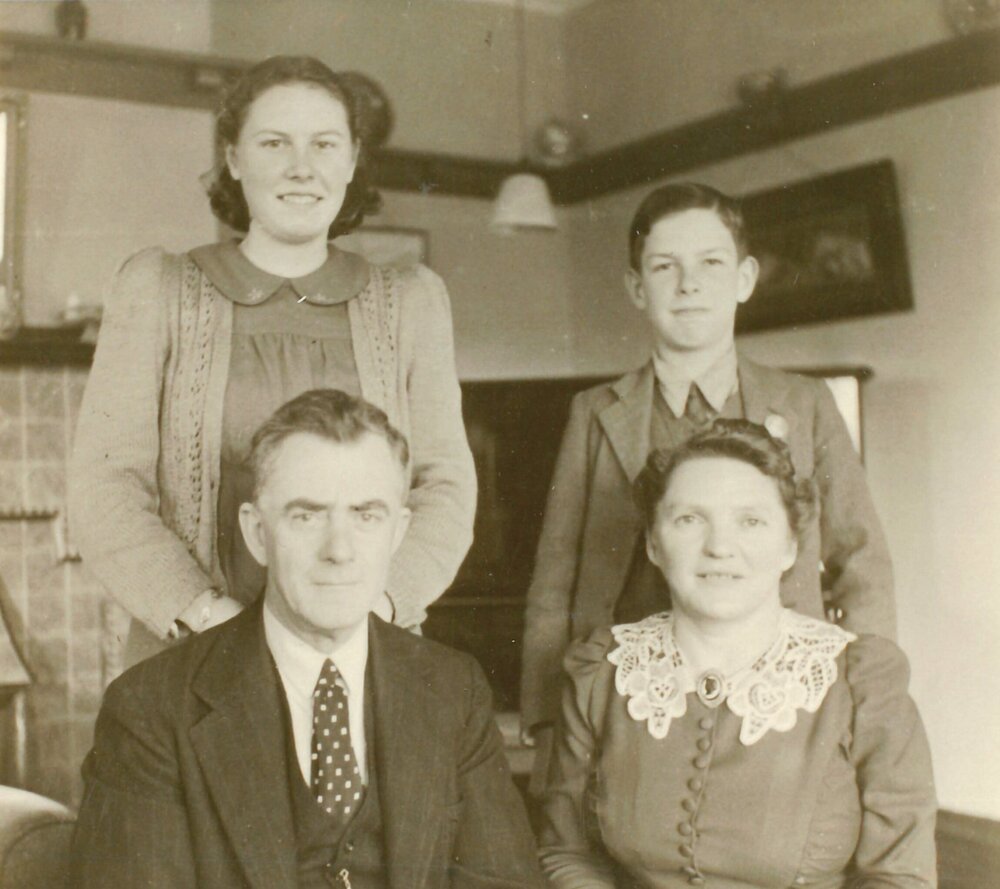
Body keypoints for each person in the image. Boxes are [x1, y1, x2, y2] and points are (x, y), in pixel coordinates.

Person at [70, 56, 475, 667]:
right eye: (274, 142)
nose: (302, 168)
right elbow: (105, 489)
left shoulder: (412, 302)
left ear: (351, 160)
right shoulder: (157, 289)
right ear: (234, 159)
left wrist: (379, 611)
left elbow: (445, 487)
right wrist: (208, 616)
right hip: (193, 653)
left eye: (324, 144)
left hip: (365, 655)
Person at [69, 389, 542, 889]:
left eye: (366, 515)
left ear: (398, 534)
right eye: (307, 515)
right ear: (256, 534)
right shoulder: (151, 710)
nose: (339, 550)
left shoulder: (453, 691)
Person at [520, 182, 894, 764]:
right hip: (633, 699)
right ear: (637, 288)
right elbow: (554, 582)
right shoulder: (595, 413)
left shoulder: (805, 403)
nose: (688, 284)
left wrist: (870, 699)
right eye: (665, 267)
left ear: (744, 279)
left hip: (781, 696)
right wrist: (547, 719)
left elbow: (862, 561)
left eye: (710, 264)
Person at [538, 420, 936, 888]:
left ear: (790, 546)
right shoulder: (602, 673)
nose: (720, 547)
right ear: (653, 543)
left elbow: (899, 877)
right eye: (689, 519)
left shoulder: (862, 683)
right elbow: (566, 853)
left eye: (750, 521)